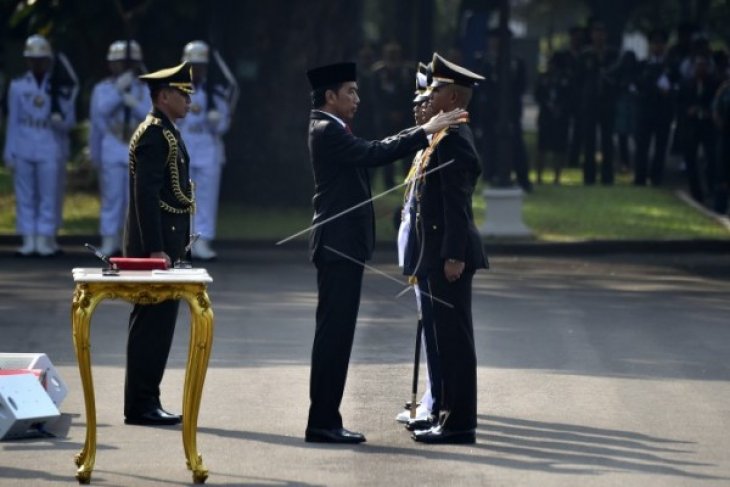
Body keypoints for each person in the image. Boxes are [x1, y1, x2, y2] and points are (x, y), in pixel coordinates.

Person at [304, 61, 466, 444]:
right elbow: (374, 152)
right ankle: (322, 422)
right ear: (330, 96)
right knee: (334, 336)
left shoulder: (331, 126)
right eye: (351, 92)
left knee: (338, 336)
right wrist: (423, 132)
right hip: (337, 246)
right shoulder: (326, 129)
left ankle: (326, 418)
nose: (357, 99)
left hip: (343, 246)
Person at [405, 52, 488, 445]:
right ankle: (446, 416)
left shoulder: (454, 140)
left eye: (436, 90)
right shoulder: (444, 134)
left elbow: (457, 205)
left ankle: (458, 424)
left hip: (448, 255)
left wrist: (454, 254)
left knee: (454, 341)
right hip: (436, 252)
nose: (429, 97)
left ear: (452, 98)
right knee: (444, 338)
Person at [123, 62, 194, 426]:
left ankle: (147, 399)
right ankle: (141, 403)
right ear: (164, 96)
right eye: (182, 94)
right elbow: (145, 195)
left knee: (159, 326)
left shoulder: (166, 131)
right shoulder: (155, 134)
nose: (188, 101)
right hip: (156, 249)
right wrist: (154, 248)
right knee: (151, 326)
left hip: (168, 245)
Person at [395, 62, 442, 430]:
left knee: (434, 329)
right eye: (416, 102)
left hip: (428, 251)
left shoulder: (439, 145)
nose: (417, 108)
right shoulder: (424, 144)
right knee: (428, 326)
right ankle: (431, 396)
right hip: (415, 249)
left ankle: (433, 398)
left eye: (424, 101)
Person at [3, 34, 76, 257]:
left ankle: (45, 238)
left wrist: (60, 121)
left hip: (49, 143)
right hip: (24, 142)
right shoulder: (17, 85)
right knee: (25, 194)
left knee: (48, 194)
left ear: (48, 61)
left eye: (41, 59)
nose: (37, 63)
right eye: (33, 59)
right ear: (27, 61)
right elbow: (13, 120)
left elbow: (70, 121)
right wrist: (9, 150)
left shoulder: (59, 86)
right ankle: (28, 239)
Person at [89, 40, 150, 256]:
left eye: (128, 64)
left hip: (137, 148)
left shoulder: (146, 88)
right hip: (112, 146)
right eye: (118, 63)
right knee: (112, 198)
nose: (122, 68)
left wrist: (133, 102)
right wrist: (118, 92)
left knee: (134, 200)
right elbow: (100, 115)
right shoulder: (104, 88)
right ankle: (109, 239)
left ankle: (132, 242)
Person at [177, 40, 232, 261]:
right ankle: (183, 241)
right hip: (184, 147)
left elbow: (225, 125)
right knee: (182, 196)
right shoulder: (175, 91)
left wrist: (216, 121)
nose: (196, 70)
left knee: (206, 198)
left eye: (199, 66)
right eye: (192, 66)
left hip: (208, 149)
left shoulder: (216, 92)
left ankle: (203, 241)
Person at [576, 21, 618, 185]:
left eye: (601, 33)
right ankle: (589, 176)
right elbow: (578, 79)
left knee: (607, 140)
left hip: (607, 102)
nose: (599, 36)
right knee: (589, 141)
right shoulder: (585, 55)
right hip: (590, 102)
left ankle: (607, 176)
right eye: (596, 32)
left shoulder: (612, 54)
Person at [677, 53, 719, 205]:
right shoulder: (686, 83)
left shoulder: (715, 84)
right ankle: (696, 193)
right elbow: (679, 104)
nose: (700, 68)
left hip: (708, 126)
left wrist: (709, 112)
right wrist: (688, 110)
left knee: (711, 159)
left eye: (703, 65)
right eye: (698, 65)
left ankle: (711, 189)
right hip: (691, 126)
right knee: (690, 160)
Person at [634, 29, 675, 187]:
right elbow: (638, 86)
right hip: (645, 112)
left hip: (663, 112)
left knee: (660, 147)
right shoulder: (642, 65)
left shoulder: (671, 66)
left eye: (661, 43)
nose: (658, 46)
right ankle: (640, 178)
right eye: (655, 43)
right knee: (642, 147)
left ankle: (656, 178)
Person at [534, 51, 571, 184]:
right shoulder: (544, 77)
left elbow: (570, 97)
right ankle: (539, 176)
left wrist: (561, 107)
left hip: (560, 118)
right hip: (546, 116)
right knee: (541, 147)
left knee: (559, 148)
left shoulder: (566, 77)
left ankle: (557, 177)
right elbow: (538, 94)